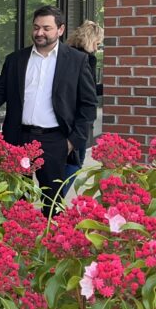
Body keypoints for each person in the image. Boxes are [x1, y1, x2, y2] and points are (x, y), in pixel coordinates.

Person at [0, 5, 97, 215]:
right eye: (36, 27)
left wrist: (73, 141)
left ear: (60, 30)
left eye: (46, 28)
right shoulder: (15, 60)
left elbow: (88, 105)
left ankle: (50, 243)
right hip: (18, 139)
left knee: (52, 205)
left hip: (56, 141)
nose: (39, 33)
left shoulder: (76, 60)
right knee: (17, 203)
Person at [61, 21, 104, 194]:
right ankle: (54, 201)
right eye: (98, 42)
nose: (98, 47)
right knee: (76, 162)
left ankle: (50, 200)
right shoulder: (87, 59)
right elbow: (89, 92)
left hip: (61, 116)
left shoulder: (64, 54)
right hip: (78, 118)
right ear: (91, 39)